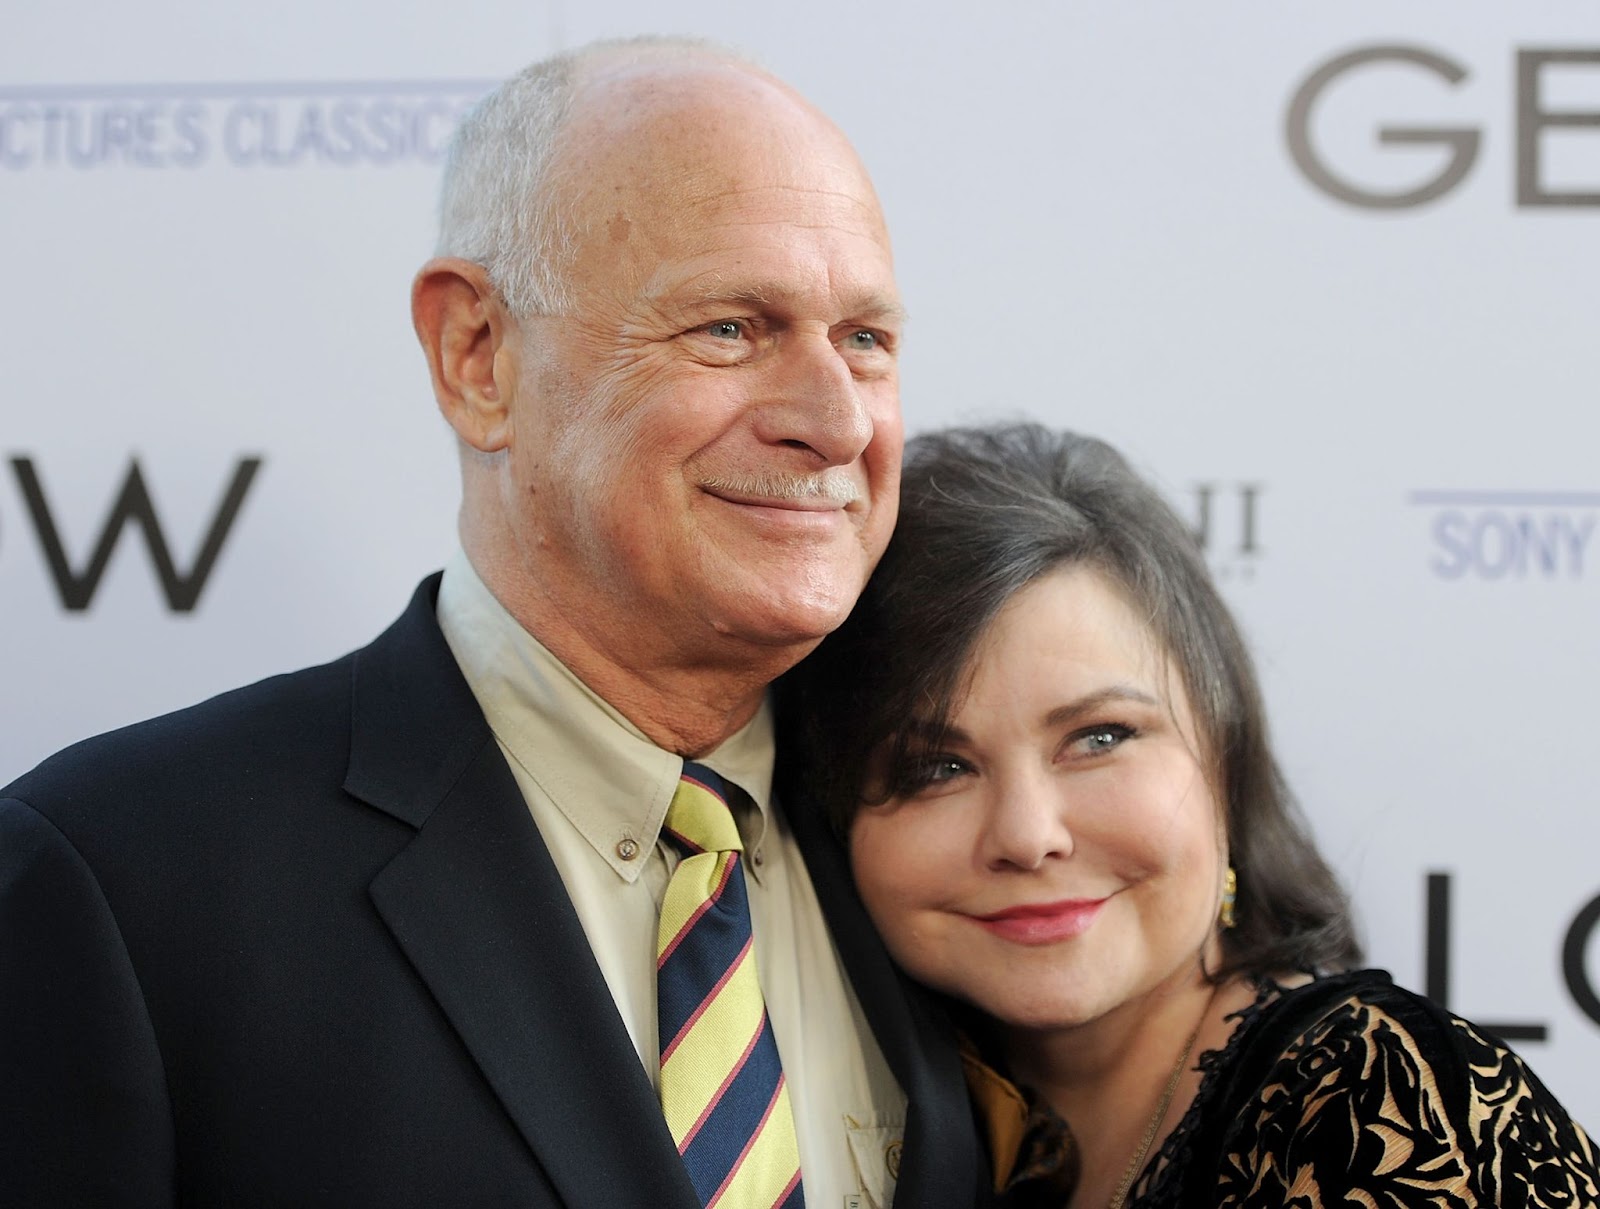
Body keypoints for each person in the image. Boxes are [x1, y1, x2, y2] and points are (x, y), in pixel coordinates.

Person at [0, 39, 988, 1209]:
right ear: (477, 354)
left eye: (865, 341)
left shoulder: (957, 855)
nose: (834, 421)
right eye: (731, 327)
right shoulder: (125, 879)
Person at [778, 423, 1600, 1207]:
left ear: (1224, 758)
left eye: (1099, 737)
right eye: (938, 767)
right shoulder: (888, 1129)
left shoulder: (1377, 1105)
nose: (1028, 835)